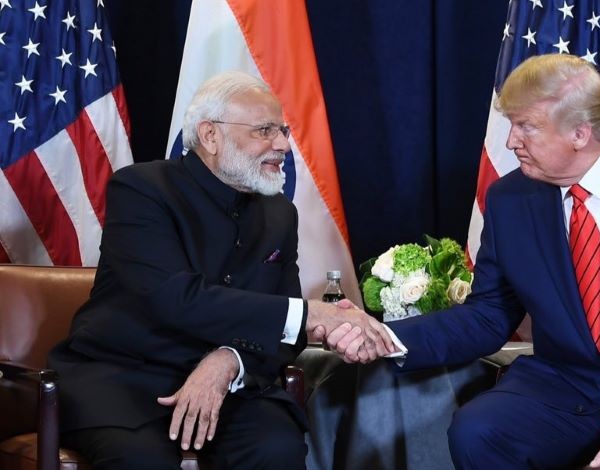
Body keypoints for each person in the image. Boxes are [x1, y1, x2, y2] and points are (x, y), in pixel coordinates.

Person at [329, 54, 600, 469]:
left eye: (526, 127)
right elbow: (489, 315)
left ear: (580, 133)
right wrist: (386, 337)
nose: (511, 141)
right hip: (571, 381)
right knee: (478, 432)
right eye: (511, 125)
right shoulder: (510, 199)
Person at [48, 71, 393, 469]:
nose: (283, 144)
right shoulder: (141, 190)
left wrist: (229, 360)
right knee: (143, 460)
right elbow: (176, 299)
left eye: (282, 130)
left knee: (277, 449)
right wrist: (312, 313)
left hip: (233, 386)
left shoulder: (280, 213)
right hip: (124, 381)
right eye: (265, 130)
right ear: (210, 135)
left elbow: (285, 334)